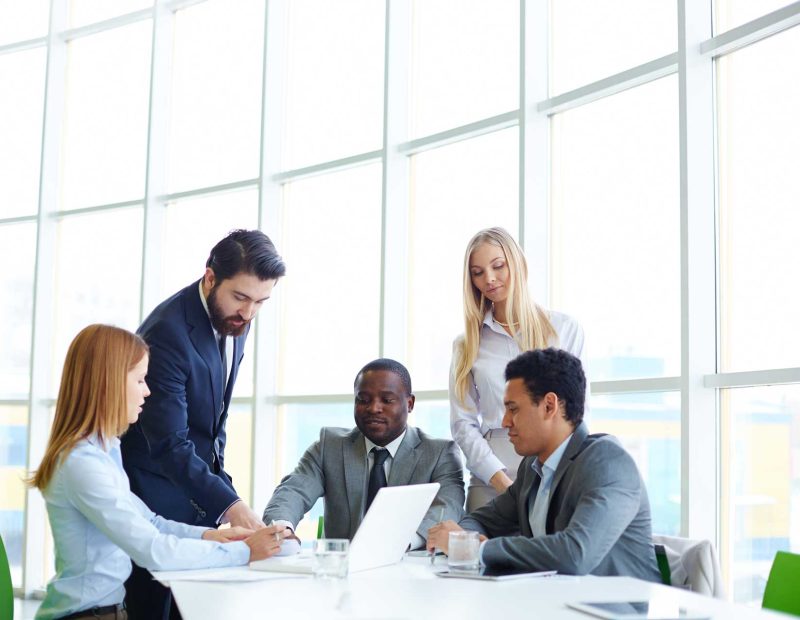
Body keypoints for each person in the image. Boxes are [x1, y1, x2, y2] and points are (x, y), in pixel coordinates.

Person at [29, 325, 286, 620]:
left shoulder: (104, 451)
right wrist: (245, 552)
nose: (147, 391)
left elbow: (150, 522)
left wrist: (214, 537)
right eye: (140, 380)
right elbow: (153, 550)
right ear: (108, 383)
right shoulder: (82, 464)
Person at [119, 229, 285, 618]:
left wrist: (223, 492)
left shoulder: (236, 320)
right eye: (241, 297)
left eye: (261, 302)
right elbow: (169, 444)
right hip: (154, 493)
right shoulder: (167, 333)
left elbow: (212, 425)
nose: (248, 313)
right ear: (210, 278)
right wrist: (229, 505)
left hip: (194, 495)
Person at [428, 348, 660, 581]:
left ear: (550, 406)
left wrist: (477, 550)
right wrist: (463, 539)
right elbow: (480, 520)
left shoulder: (608, 462)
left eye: (513, 409)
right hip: (552, 603)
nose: (505, 421)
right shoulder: (532, 468)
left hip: (618, 610)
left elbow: (575, 553)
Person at [450, 226, 587, 512]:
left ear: (517, 263)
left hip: (552, 470)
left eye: (498, 266)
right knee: (480, 555)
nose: (489, 279)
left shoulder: (563, 330)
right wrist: (501, 481)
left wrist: (557, 473)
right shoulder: (466, 345)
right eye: (477, 272)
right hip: (490, 474)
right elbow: (463, 423)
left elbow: (575, 410)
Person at [263, 359, 465, 548]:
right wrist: (283, 528)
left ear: (410, 404)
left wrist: (401, 543)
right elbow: (293, 491)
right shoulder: (329, 447)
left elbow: (447, 508)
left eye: (387, 400)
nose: (374, 408)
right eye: (363, 399)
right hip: (342, 572)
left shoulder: (439, 453)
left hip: (410, 567)